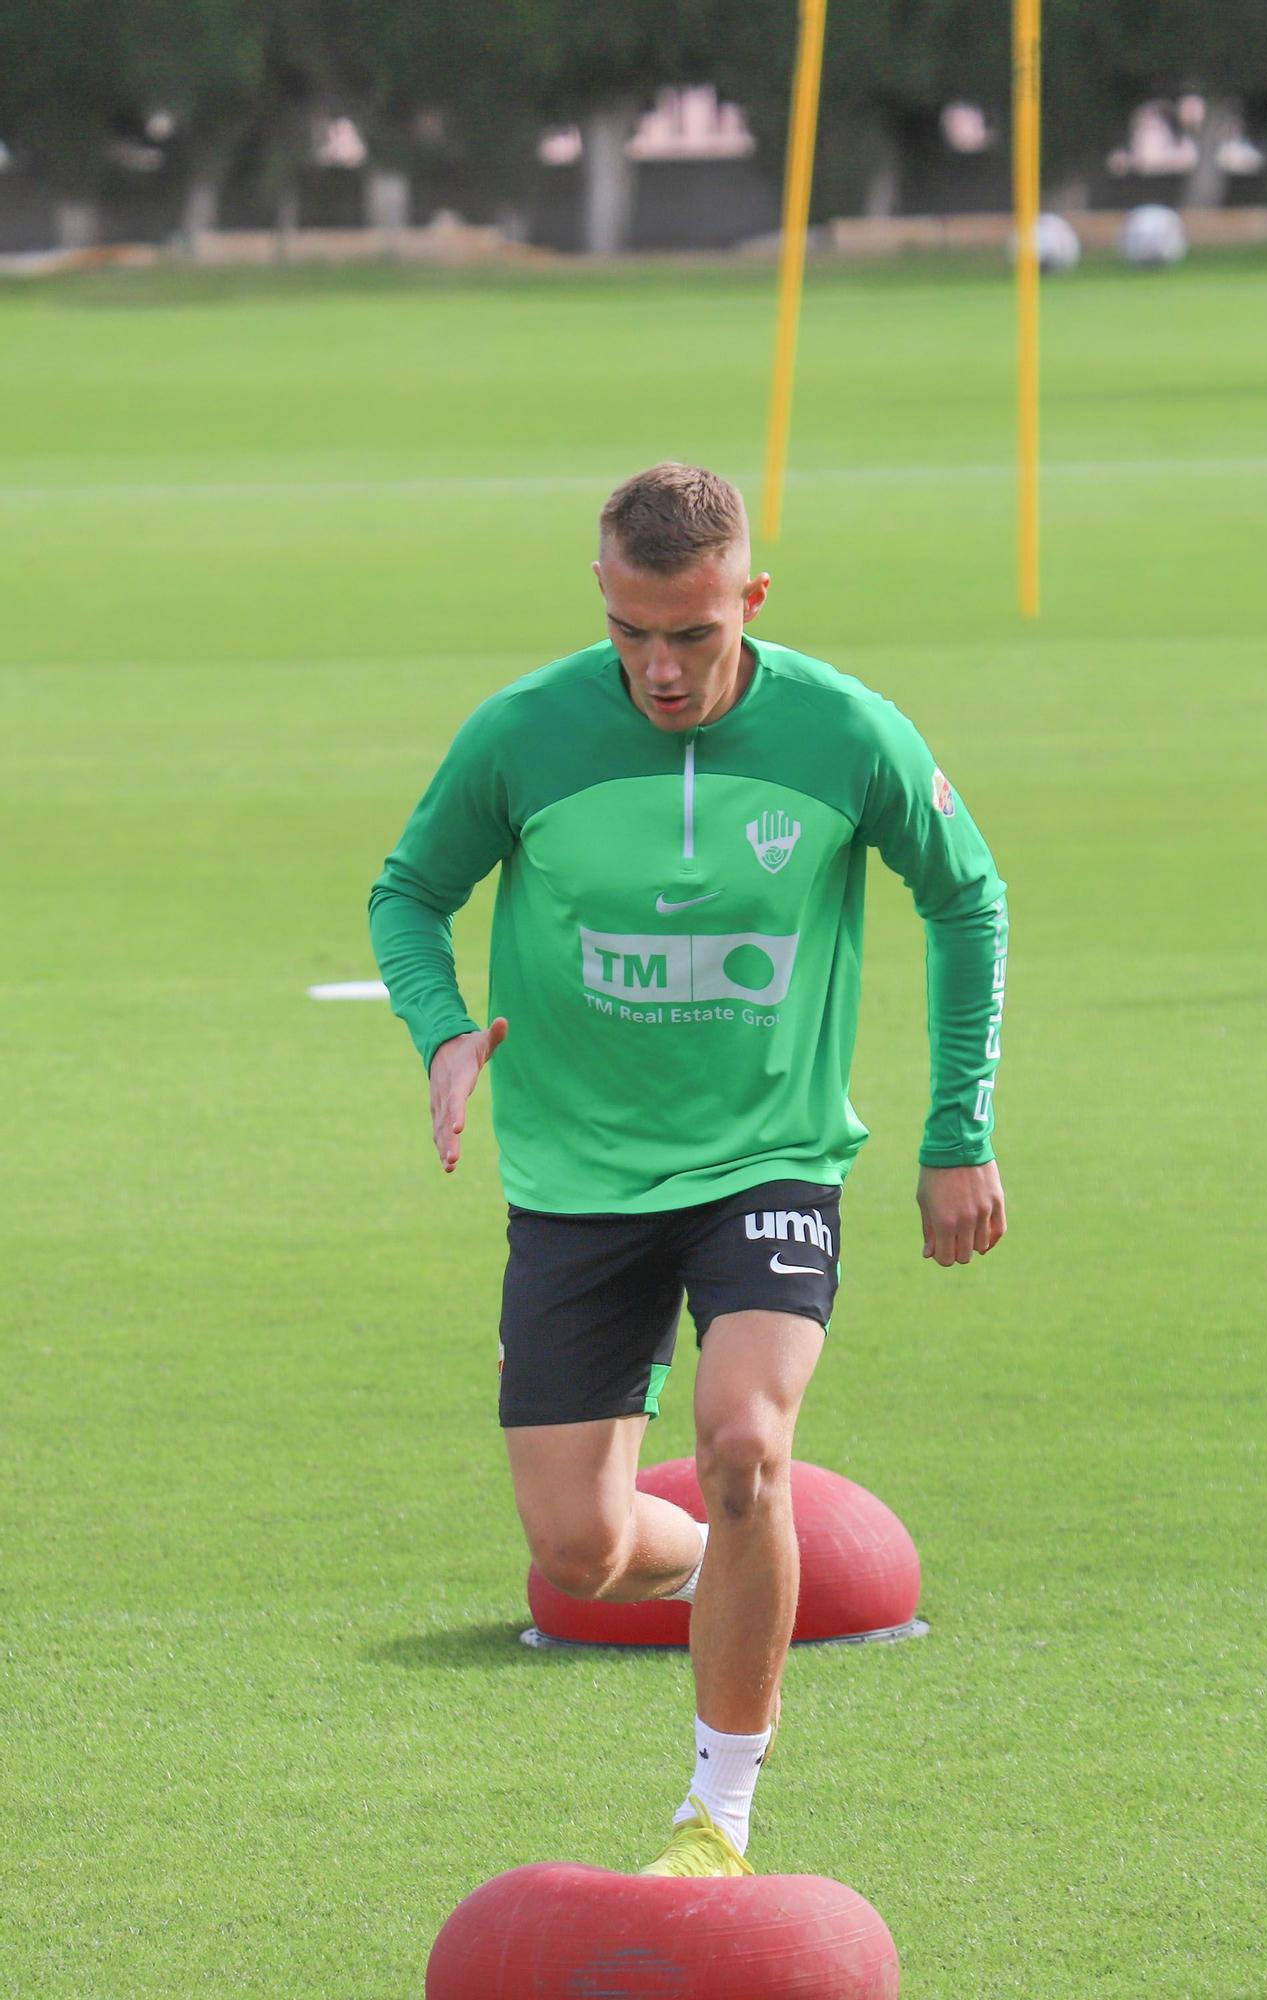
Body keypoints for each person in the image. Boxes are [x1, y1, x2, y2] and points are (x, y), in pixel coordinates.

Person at [369, 462, 1007, 1877]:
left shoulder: (846, 732)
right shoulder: (523, 734)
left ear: (750, 600)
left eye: (696, 635)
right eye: (634, 634)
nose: (662, 670)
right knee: (578, 1555)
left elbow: (966, 896)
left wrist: (954, 1130)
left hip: (765, 1159)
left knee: (740, 1444)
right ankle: (743, 1567)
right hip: (574, 1179)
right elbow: (408, 891)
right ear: (603, 595)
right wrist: (439, 1035)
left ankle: (716, 1810)